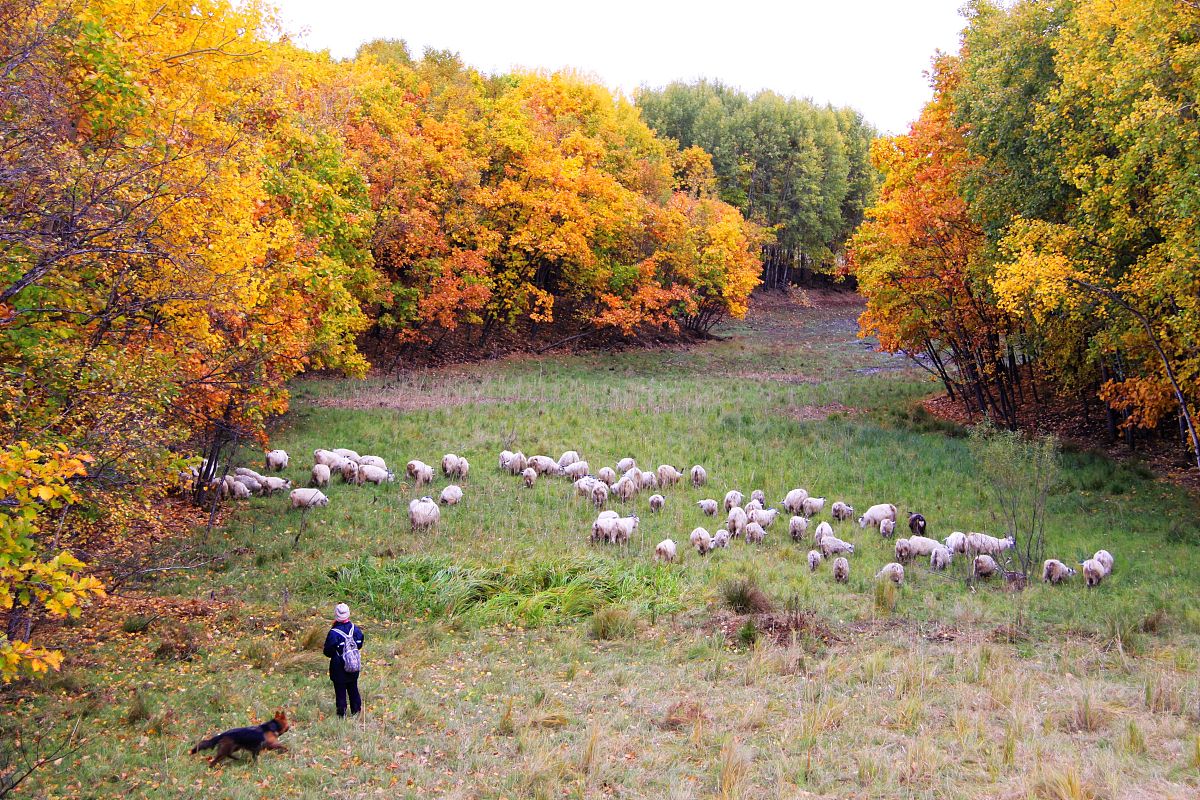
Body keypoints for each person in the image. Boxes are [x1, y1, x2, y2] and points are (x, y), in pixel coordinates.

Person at [322, 603, 364, 717]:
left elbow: (327, 651)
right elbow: (359, 645)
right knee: (353, 689)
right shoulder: (356, 629)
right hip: (354, 665)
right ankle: (356, 713)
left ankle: (342, 716)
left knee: (340, 692)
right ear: (348, 614)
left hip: (338, 667)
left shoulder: (333, 633)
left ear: (336, 615)